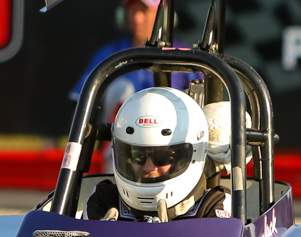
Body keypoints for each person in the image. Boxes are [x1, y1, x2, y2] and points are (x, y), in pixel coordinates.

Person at [84, 86, 232, 222]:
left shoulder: (213, 205)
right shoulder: (104, 200)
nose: (149, 167)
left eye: (163, 157)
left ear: (191, 156)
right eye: (138, 156)